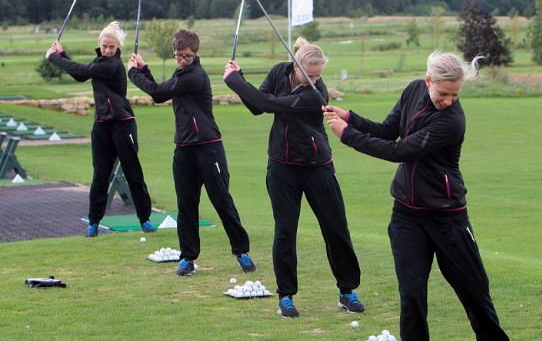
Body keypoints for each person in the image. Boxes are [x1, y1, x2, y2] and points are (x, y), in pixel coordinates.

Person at [323, 52, 529, 341]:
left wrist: (347, 135)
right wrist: (351, 117)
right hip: (407, 218)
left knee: (475, 294)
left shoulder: (451, 122)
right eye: (443, 94)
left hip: (449, 218)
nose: (448, 101)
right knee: (413, 297)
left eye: (455, 95)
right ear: (428, 81)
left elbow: (399, 151)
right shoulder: (412, 91)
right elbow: (390, 130)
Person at [223, 37, 364, 318]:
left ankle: (347, 291)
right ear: (295, 65)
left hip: (317, 166)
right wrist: (239, 80)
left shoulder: (316, 94)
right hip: (282, 167)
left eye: (318, 75)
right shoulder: (279, 72)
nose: (314, 80)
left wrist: (235, 82)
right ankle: (286, 296)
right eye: (309, 75)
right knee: (285, 231)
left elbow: (272, 103)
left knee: (335, 228)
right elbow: (257, 106)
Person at [127, 29, 255, 276]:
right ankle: (187, 257)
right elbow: (161, 94)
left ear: (195, 53)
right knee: (186, 205)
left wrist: (133, 73)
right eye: (178, 56)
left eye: (186, 56)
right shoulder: (181, 73)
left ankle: (241, 251)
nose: (182, 60)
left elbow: (157, 92)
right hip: (184, 149)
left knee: (221, 200)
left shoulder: (195, 76)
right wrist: (144, 70)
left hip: (209, 147)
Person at [45, 21, 156, 237]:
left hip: (123, 124)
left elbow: (84, 71)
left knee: (133, 174)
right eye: (104, 46)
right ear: (100, 44)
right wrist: (63, 54)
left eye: (111, 47)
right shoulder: (99, 62)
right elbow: (81, 74)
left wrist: (53, 57)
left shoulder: (112, 65)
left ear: (117, 49)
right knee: (100, 175)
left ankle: (145, 218)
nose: (107, 50)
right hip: (102, 125)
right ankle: (94, 222)